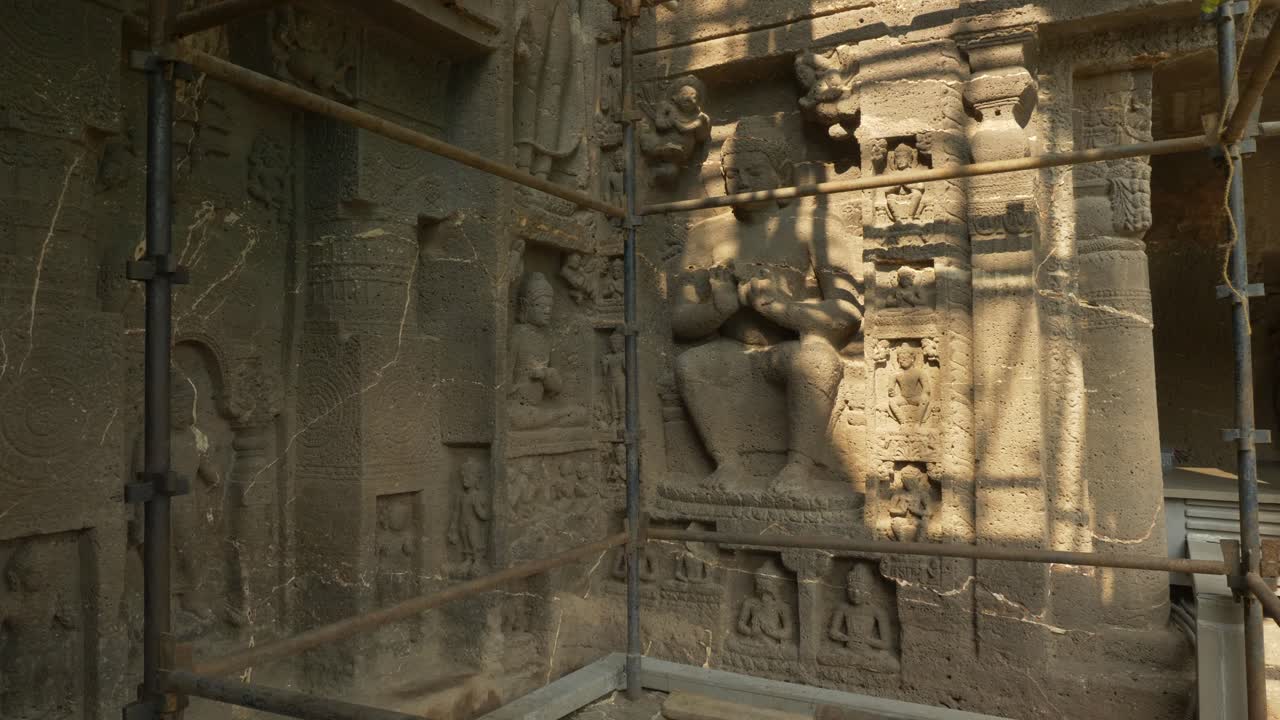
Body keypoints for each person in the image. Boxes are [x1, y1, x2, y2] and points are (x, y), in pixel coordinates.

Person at [669, 121, 863, 491]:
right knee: (692, 363)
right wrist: (719, 309)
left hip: (789, 348)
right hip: (733, 351)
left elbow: (847, 315)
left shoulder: (813, 227)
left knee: (816, 359)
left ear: (782, 173)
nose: (742, 182)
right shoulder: (707, 234)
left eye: (754, 172)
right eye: (733, 174)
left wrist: (780, 309)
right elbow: (680, 321)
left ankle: (799, 467)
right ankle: (728, 464)